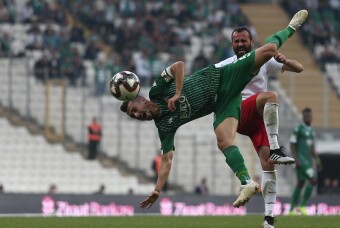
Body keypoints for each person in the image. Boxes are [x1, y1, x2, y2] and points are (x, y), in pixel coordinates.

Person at [119, 10, 309, 209]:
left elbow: (179, 65)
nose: (137, 115)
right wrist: (157, 189)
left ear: (140, 99)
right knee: (223, 141)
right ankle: (247, 182)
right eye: (134, 116)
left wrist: (176, 93)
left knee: (269, 49)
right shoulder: (164, 127)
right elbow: (166, 160)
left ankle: (290, 27)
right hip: (222, 104)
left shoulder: (158, 90)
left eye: (135, 110)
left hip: (222, 77)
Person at [215, 26, 303, 227]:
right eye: (236, 41)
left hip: (257, 120)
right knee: (271, 96)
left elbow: (299, 68)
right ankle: (275, 148)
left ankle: (269, 219)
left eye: (243, 41)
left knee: (269, 167)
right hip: (239, 113)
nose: (240, 45)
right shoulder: (225, 65)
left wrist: (285, 61)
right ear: (232, 45)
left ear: (251, 42)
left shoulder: (263, 61)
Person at [289, 107, 322, 215]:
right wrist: (295, 159)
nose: (308, 117)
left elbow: (312, 148)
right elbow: (292, 144)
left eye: (309, 116)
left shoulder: (311, 131)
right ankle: (302, 206)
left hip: (307, 160)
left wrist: (317, 160)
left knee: (300, 183)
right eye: (306, 116)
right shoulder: (298, 129)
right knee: (313, 180)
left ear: (312, 117)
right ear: (303, 117)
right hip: (301, 160)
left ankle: (292, 209)